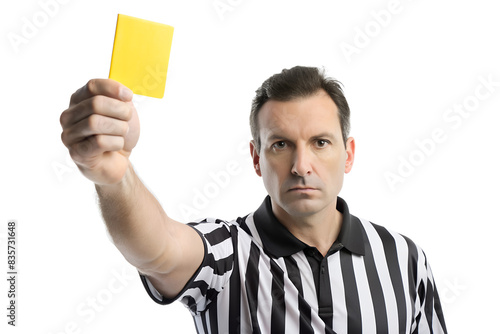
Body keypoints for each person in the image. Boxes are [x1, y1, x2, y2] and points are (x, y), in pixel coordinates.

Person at [60, 66, 447, 333]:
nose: (301, 165)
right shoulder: (228, 254)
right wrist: (114, 177)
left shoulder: (402, 258)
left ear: (348, 153)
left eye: (320, 142)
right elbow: (157, 250)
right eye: (281, 144)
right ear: (257, 158)